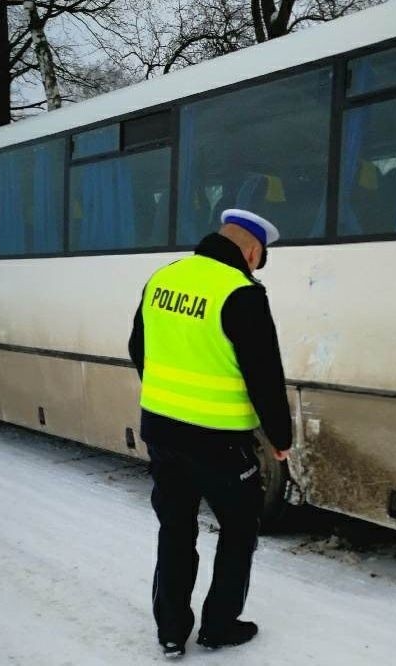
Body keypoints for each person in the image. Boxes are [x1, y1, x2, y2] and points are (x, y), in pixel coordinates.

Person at [128, 208, 292, 659]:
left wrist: (167, 397)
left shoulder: (164, 277)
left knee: (176, 530)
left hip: (160, 431)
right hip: (220, 441)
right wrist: (280, 439)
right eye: (260, 258)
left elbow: (137, 347)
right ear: (253, 250)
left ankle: (170, 632)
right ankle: (219, 625)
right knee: (239, 530)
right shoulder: (241, 292)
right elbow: (264, 375)